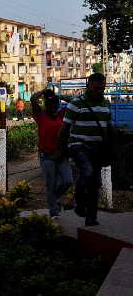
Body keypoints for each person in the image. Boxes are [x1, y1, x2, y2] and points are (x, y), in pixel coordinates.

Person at [57, 72, 112, 227]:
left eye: (102, 88)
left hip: (98, 149)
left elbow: (107, 128)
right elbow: (64, 130)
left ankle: (91, 218)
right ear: (88, 86)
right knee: (86, 171)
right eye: (96, 88)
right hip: (78, 145)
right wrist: (60, 150)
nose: (99, 91)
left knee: (95, 184)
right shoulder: (76, 103)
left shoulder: (106, 104)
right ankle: (79, 201)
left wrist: (109, 149)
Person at [31, 89, 72, 218]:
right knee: (51, 183)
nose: (53, 107)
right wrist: (43, 91)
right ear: (46, 105)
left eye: (55, 104)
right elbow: (33, 99)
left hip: (61, 155)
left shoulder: (62, 115)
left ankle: (53, 198)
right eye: (50, 105)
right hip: (47, 155)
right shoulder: (40, 115)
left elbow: (74, 102)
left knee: (67, 181)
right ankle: (54, 211)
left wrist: (58, 95)